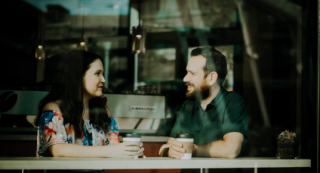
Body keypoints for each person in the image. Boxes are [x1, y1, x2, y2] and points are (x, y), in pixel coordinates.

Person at [34, 50, 144, 173]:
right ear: (77, 76)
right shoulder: (53, 109)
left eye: (102, 74)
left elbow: (114, 147)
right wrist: (109, 151)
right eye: (97, 73)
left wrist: (130, 151)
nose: (103, 80)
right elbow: (58, 150)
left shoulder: (102, 111)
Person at [159, 46, 248, 170]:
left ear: (211, 78)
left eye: (192, 73)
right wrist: (170, 152)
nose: (185, 78)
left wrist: (190, 150)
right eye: (186, 72)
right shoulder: (187, 106)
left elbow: (231, 150)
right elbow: (167, 147)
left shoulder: (233, 102)